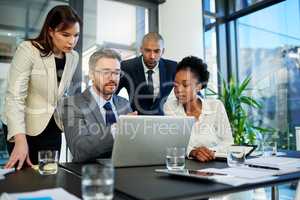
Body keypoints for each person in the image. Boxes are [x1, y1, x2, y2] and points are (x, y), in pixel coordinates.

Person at [3, 5, 82, 170]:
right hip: (23, 126)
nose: (72, 41)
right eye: (65, 34)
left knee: (49, 176)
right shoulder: (28, 50)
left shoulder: (73, 57)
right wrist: (20, 140)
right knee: (23, 180)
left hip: (52, 126)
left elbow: (59, 92)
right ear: (51, 31)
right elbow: (15, 97)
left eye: (76, 35)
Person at [62, 48, 134, 162]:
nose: (112, 78)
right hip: (88, 173)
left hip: (124, 171)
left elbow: (131, 144)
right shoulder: (72, 105)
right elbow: (79, 150)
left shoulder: (123, 103)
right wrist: (116, 129)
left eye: (116, 72)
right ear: (91, 74)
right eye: (106, 72)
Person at [164, 56, 234, 162]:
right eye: (175, 85)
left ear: (199, 86)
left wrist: (209, 152)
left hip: (216, 165)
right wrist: (193, 152)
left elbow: (228, 143)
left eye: (185, 85)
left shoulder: (216, 106)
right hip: (186, 166)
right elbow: (172, 144)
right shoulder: (170, 107)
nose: (178, 90)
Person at [116, 32, 177, 115]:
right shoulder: (126, 67)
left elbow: (190, 92)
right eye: (148, 50)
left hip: (163, 123)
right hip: (135, 122)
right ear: (141, 49)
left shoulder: (173, 68)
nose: (152, 56)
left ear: (163, 51)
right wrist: (122, 113)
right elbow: (111, 95)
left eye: (156, 51)